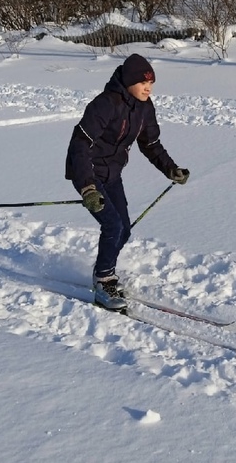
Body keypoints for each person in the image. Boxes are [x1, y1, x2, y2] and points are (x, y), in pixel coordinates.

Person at [65, 53, 190, 310]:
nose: (148, 88)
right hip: (88, 173)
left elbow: (151, 144)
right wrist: (87, 187)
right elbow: (80, 144)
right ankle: (104, 282)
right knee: (112, 225)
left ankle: (104, 270)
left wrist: (170, 169)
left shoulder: (144, 107)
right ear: (129, 81)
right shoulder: (105, 104)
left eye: (151, 83)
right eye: (143, 82)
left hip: (113, 174)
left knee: (124, 229)